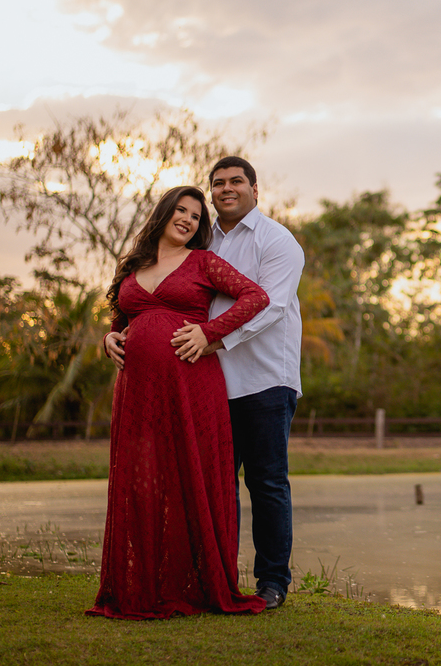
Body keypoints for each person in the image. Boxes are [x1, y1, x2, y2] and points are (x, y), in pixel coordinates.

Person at [108, 157, 304, 610]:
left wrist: (212, 339)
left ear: (256, 189)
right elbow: (139, 304)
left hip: (262, 379)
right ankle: (215, 575)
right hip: (203, 385)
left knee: (267, 482)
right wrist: (117, 335)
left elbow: (270, 306)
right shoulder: (198, 240)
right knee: (213, 485)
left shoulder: (278, 241)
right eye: (218, 184)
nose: (226, 190)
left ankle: (273, 581)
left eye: (236, 182)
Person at [88, 186, 268, 620]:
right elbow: (120, 321)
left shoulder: (203, 262)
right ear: (164, 213)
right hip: (137, 392)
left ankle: (196, 583)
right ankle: (145, 584)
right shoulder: (133, 266)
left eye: (195, 215)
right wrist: (109, 338)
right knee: (143, 478)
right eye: (181, 211)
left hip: (191, 385)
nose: (188, 219)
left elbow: (256, 297)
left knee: (191, 474)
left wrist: (211, 332)